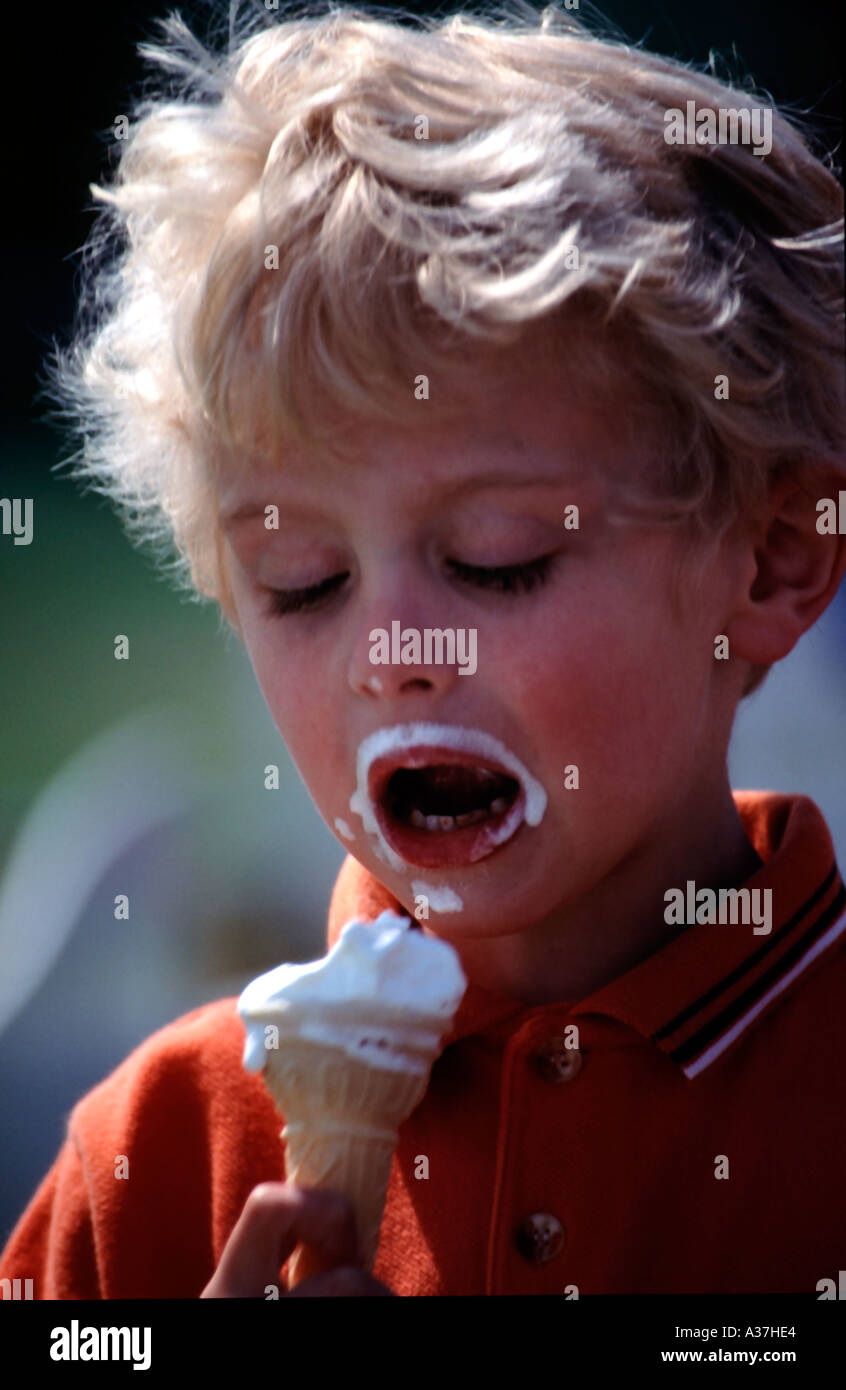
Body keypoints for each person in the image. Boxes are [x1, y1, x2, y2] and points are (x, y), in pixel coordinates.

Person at [2, 0, 844, 1297]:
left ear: (772, 560)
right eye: (301, 582)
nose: (389, 651)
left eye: (496, 557)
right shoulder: (152, 1157)